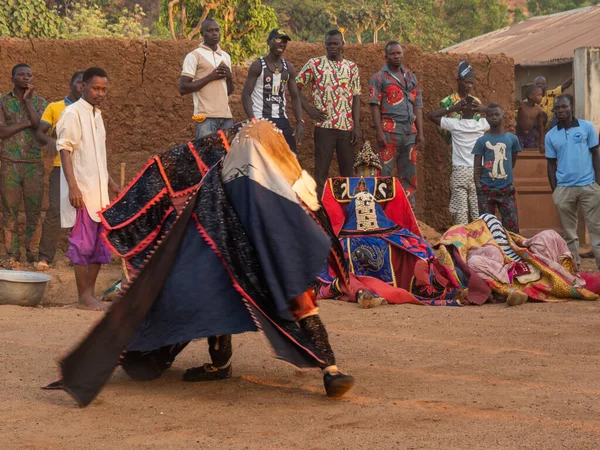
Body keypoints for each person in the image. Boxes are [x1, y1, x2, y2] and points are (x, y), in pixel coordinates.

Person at [54, 120, 354, 407]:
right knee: (220, 285)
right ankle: (236, 364)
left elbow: (308, 206)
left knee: (290, 295)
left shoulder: (269, 160)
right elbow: (168, 167)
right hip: (224, 245)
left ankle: (330, 370)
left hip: (262, 246)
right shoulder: (234, 156)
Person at [316, 141, 462, 307]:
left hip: (351, 239)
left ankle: (364, 292)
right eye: (364, 170)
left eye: (370, 170)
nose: (367, 174)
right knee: (419, 250)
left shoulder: (340, 192)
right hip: (377, 236)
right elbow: (401, 217)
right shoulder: (389, 188)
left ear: (377, 173)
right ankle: (433, 288)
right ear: (356, 172)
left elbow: (331, 217)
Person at [57, 67, 120, 311]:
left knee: (99, 246)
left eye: (104, 89)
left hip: (99, 194)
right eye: (96, 88)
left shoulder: (97, 116)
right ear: (83, 86)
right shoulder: (72, 114)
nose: (100, 93)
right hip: (81, 193)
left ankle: (89, 295)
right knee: (82, 245)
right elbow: (65, 150)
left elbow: (98, 157)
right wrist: (73, 187)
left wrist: (110, 182)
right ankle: (83, 297)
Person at [296, 29, 361, 196]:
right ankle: (319, 214)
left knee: (347, 173)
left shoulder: (351, 67)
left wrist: (356, 127)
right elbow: (295, 87)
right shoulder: (314, 64)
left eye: (335, 43)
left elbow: (356, 98)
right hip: (324, 128)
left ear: (342, 44)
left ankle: (347, 212)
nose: (332, 47)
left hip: (346, 128)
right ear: (324, 45)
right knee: (320, 173)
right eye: (329, 44)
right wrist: (309, 110)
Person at [34, 71, 84, 271]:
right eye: (79, 82)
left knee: (81, 212)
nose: (82, 86)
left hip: (83, 168)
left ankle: (78, 256)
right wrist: (50, 141)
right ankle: (45, 257)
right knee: (55, 210)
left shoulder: (89, 110)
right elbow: (39, 131)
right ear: (70, 84)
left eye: (84, 83)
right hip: (59, 167)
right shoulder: (55, 107)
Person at [0, 64, 48, 268]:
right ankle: (11, 255)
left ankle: (32, 253)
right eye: (21, 75)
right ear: (12, 78)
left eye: (29, 75)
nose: (26, 78)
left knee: (34, 212)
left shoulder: (39, 102)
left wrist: (28, 102)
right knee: (9, 211)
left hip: (33, 164)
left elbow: (39, 126)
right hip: (9, 163)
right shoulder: (2, 101)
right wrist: (27, 123)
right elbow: (2, 132)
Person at [546, 94, 600, 269]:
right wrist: (556, 191)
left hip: (589, 186)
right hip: (564, 189)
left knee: (597, 232)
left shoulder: (586, 127)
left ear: (571, 107)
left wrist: (597, 183)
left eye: (564, 107)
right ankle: (574, 272)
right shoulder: (551, 135)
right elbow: (551, 165)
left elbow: (596, 155)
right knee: (569, 235)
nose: (560, 111)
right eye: (557, 108)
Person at [369, 41, 424, 208]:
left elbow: (418, 105)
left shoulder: (410, 76)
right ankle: (382, 213)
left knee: (409, 174)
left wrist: (420, 132)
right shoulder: (378, 78)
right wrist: (379, 132)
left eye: (399, 53)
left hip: (410, 132)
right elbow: (374, 106)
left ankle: (408, 212)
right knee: (384, 173)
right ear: (385, 57)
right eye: (392, 54)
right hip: (389, 131)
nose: (396, 56)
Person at [428, 96, 489, 225]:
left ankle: (461, 239)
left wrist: (452, 108)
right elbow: (499, 115)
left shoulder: (455, 124)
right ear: (476, 112)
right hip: (477, 172)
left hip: (459, 171)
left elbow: (431, 116)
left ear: (460, 112)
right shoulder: (482, 124)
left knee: (461, 211)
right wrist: (483, 108)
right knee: (476, 209)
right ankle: (480, 237)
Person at [242, 28, 303, 153]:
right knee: (263, 159)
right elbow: (246, 94)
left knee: (290, 157)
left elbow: (295, 96)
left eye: (285, 41)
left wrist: (299, 121)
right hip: (261, 118)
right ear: (268, 42)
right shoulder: (258, 65)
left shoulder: (288, 68)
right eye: (278, 39)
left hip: (281, 118)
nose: (282, 43)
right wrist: (253, 121)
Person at [179, 18, 234, 139]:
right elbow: (183, 88)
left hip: (226, 117)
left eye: (217, 30)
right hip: (205, 118)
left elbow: (228, 91)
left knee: (227, 156)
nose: (214, 33)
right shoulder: (194, 56)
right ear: (202, 33)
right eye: (209, 31)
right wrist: (210, 77)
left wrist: (229, 77)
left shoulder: (225, 57)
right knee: (207, 156)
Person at [472, 104, 522, 234]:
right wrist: (479, 186)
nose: (493, 117)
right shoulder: (482, 141)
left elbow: (513, 161)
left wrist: (505, 175)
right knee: (487, 228)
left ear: (502, 116)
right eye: (490, 115)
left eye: (496, 114)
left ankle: (512, 252)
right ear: (486, 118)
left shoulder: (512, 139)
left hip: (506, 189)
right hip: (486, 190)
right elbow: (477, 165)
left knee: (512, 226)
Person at [439, 62, 482, 144]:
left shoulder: (476, 102)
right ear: (458, 81)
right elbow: (442, 130)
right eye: (466, 82)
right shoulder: (447, 102)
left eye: (471, 83)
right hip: (454, 144)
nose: (469, 86)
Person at [516, 85, 544, 153]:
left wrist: (541, 143)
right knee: (519, 152)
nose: (541, 97)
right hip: (519, 134)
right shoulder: (521, 106)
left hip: (530, 135)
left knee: (531, 152)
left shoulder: (538, 110)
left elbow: (540, 127)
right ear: (531, 95)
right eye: (539, 95)